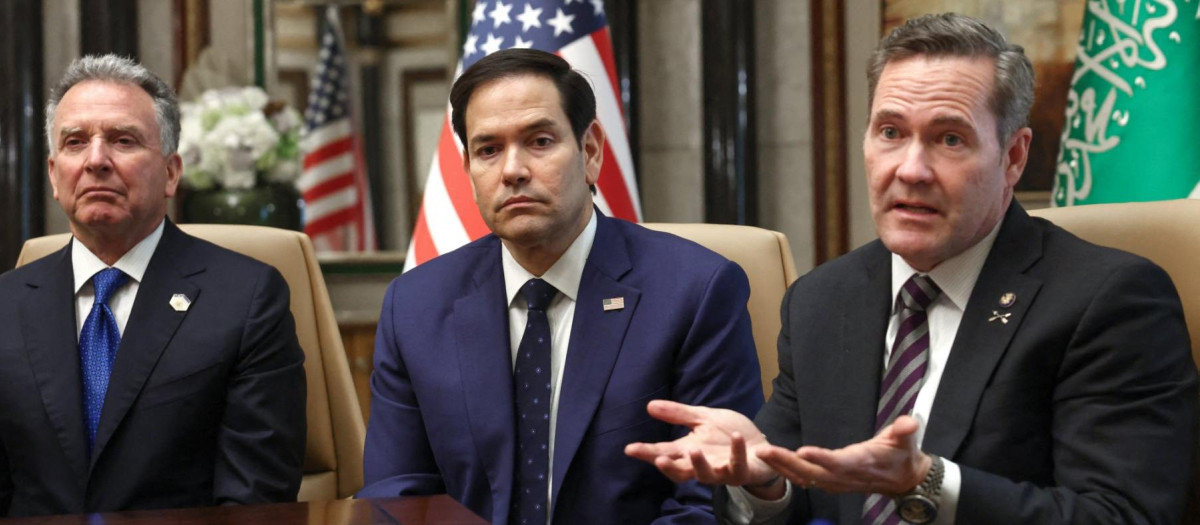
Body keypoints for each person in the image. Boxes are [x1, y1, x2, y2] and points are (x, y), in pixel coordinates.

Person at [626, 13, 1197, 525]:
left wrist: (926, 483)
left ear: (1014, 156)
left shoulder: (1107, 299)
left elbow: (1121, 515)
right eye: (891, 132)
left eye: (949, 138)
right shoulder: (823, 300)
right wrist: (765, 481)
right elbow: (805, 498)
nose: (911, 169)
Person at [358, 48, 764, 524]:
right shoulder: (416, 306)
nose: (512, 170)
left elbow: (705, 505)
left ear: (590, 151)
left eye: (540, 141)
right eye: (488, 150)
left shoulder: (694, 292)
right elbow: (397, 496)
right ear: (468, 169)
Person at [0, 55, 307, 517]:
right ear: (53, 174)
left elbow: (253, 500)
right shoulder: (5, 306)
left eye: (123, 141)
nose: (96, 160)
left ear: (170, 172)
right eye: (75, 142)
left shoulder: (246, 299)